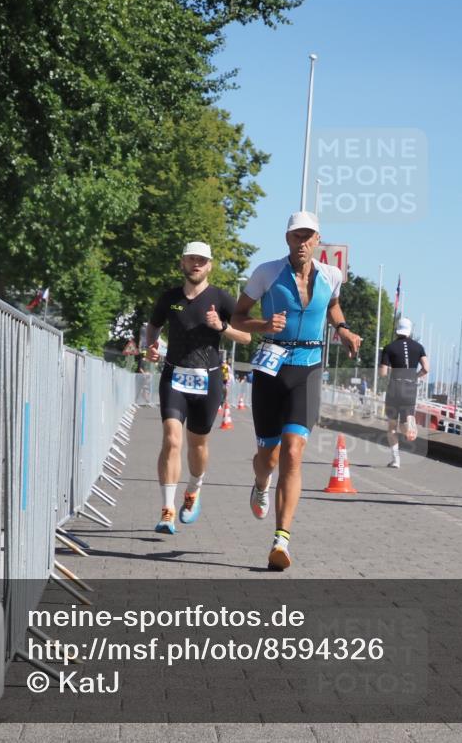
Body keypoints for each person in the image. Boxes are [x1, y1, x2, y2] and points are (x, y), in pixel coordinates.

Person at [231, 211, 361, 570]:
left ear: (317, 240)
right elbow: (237, 317)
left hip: (309, 366)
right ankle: (260, 483)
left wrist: (344, 330)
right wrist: (262, 324)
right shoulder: (267, 273)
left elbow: (333, 305)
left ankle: (281, 540)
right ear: (286, 239)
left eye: (308, 236)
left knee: (293, 449)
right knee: (268, 459)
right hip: (272, 367)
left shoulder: (331, 275)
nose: (302, 242)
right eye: (295, 236)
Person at [145, 241, 251, 534]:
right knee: (171, 438)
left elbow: (246, 338)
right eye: (191, 259)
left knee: (198, 444)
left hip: (209, 379)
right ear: (182, 262)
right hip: (174, 375)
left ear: (210, 266)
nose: (196, 264)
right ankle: (167, 510)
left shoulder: (222, 298)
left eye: (202, 260)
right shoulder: (169, 297)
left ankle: (194, 488)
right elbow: (153, 327)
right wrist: (150, 347)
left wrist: (221, 327)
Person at [378, 317, 429, 468]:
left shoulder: (389, 347)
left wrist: (383, 364)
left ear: (397, 330)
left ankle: (396, 460)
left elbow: (383, 373)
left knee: (392, 427)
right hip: (410, 388)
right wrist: (415, 376)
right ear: (410, 331)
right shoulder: (419, 347)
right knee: (404, 421)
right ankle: (409, 425)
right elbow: (426, 368)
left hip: (395, 387)